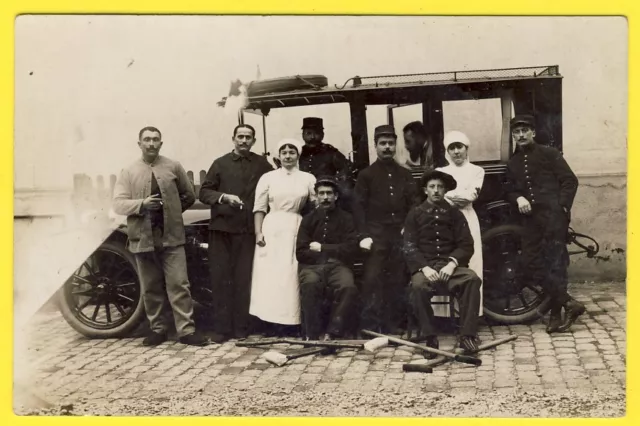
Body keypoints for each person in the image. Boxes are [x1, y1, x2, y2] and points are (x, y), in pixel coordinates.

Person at [112, 126, 207, 346]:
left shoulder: (173, 166)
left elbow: (189, 196)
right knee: (151, 286)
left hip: (172, 237)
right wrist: (142, 205)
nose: (152, 143)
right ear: (139, 144)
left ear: (161, 143)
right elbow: (118, 204)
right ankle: (158, 329)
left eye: (156, 140)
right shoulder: (128, 171)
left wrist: (171, 212)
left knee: (179, 284)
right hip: (143, 237)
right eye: (147, 140)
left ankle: (186, 331)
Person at [505, 115, 583, 333]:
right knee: (529, 263)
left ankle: (556, 315)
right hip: (531, 220)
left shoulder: (550, 154)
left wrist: (562, 207)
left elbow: (570, 180)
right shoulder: (513, 163)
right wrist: (518, 198)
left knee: (555, 264)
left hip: (553, 217)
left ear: (533, 133)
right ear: (513, 135)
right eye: (516, 132)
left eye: (524, 131)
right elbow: (509, 188)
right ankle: (570, 303)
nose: (520, 135)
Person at [198, 124, 273, 343]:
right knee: (221, 278)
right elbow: (204, 192)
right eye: (240, 137)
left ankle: (241, 327)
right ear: (233, 139)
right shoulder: (220, 163)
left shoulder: (262, 165)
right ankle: (222, 329)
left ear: (254, 141)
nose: (244, 141)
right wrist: (223, 197)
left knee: (244, 279)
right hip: (221, 230)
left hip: (247, 230)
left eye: (248, 137)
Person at [403, 170, 482, 354]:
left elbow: (466, 244)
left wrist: (452, 263)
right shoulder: (415, 214)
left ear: (445, 190)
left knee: (472, 279)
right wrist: (424, 267)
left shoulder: (454, 214)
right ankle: (430, 338)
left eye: (440, 187)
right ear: (425, 190)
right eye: (432, 187)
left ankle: (467, 336)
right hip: (426, 267)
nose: (436, 190)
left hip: (451, 268)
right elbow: (409, 247)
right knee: (418, 288)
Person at [354, 124, 419, 334]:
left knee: (398, 278)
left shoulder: (405, 174)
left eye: (391, 143)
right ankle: (371, 326)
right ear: (375, 146)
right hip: (376, 236)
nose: (387, 148)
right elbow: (359, 208)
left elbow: (415, 204)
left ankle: (395, 324)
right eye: (383, 144)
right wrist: (364, 235)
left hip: (399, 235)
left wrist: (407, 227)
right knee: (372, 279)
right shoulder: (366, 175)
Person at [249, 138, 317, 333]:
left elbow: (315, 207)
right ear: (278, 156)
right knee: (271, 274)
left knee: (290, 273)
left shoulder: (307, 178)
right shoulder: (268, 178)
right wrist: (258, 232)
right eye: (284, 152)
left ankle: (291, 321)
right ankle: (269, 321)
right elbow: (259, 208)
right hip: (272, 227)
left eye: (292, 152)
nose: (288, 156)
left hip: (296, 226)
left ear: (298, 155)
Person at [296, 176, 359, 341]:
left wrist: (323, 248)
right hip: (312, 267)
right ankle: (312, 334)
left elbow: (351, 248)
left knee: (347, 286)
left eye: (329, 193)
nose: (325, 197)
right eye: (321, 193)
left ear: (336, 196)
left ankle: (333, 332)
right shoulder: (308, 220)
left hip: (337, 266)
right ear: (316, 196)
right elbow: (301, 252)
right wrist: (333, 251)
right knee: (309, 284)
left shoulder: (346, 219)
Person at [434, 130, 485, 317]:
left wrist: (449, 195)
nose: (456, 152)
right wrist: (456, 195)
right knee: (446, 263)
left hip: (468, 218)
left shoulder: (477, 171)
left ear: (466, 149)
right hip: (445, 220)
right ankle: (445, 315)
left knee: (471, 263)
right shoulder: (440, 172)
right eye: (452, 148)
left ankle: (470, 314)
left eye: (459, 147)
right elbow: (437, 197)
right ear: (447, 151)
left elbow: (471, 196)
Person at [299, 117, 354, 211]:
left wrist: (334, 183)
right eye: (308, 133)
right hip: (302, 200)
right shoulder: (298, 153)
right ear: (302, 135)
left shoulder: (331, 152)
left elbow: (347, 169)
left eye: (316, 133)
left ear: (322, 135)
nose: (312, 137)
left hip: (325, 199)